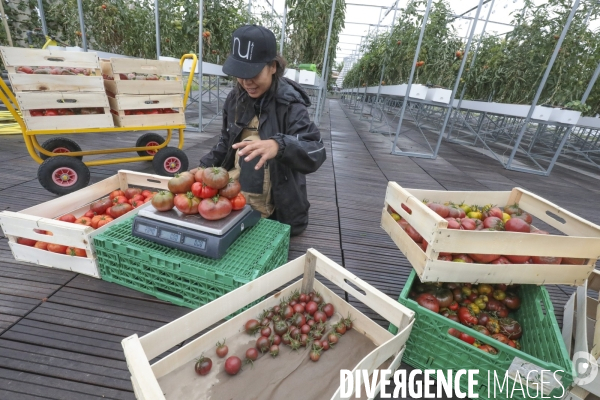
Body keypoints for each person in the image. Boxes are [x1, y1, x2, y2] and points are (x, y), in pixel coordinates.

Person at [198, 25, 326, 236]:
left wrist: (279, 145)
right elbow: (226, 141)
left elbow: (315, 150)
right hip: (235, 199)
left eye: (253, 73)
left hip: (277, 208)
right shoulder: (235, 98)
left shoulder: (289, 104)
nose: (246, 82)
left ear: (273, 67)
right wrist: (205, 165)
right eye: (240, 74)